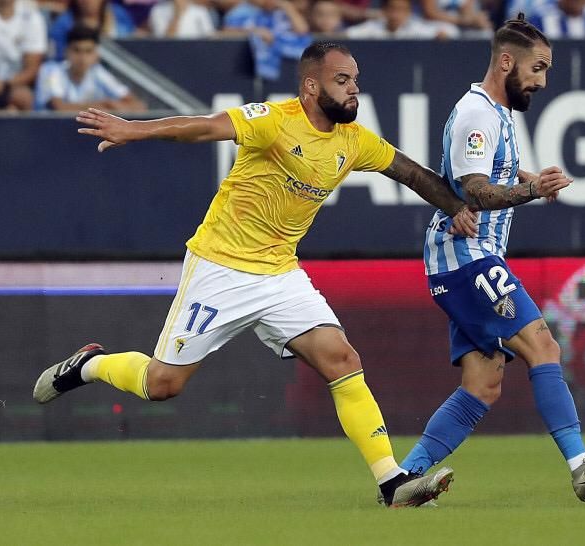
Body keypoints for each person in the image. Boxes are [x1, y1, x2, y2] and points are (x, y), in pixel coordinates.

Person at [33, 41, 477, 509]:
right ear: (310, 86)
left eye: (355, 81)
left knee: (342, 360)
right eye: (342, 81)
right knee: (162, 385)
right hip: (220, 267)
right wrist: (135, 130)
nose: (353, 90)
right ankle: (89, 364)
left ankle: (392, 481)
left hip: (280, 274)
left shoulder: (355, 141)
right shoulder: (274, 120)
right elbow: (203, 128)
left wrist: (457, 208)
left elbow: (411, 172)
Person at [399, 14, 585, 503]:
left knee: (483, 385)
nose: (542, 81)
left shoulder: (492, 112)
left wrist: (529, 178)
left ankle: (402, 481)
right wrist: (531, 189)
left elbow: (484, 173)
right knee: (543, 346)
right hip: (468, 259)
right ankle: (581, 465)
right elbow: (478, 192)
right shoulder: (478, 115)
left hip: (466, 258)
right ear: (506, 61)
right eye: (538, 68)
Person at [35, 25, 146, 112]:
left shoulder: (97, 72)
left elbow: (138, 107)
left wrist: (117, 107)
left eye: (88, 51)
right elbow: (59, 108)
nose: (82, 58)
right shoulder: (51, 70)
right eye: (77, 50)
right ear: (66, 51)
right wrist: (104, 107)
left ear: (96, 55)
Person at [0, 0, 47, 112]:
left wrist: (5, 85)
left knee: (24, 97)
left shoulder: (31, 18)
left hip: (12, 85)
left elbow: (32, 69)